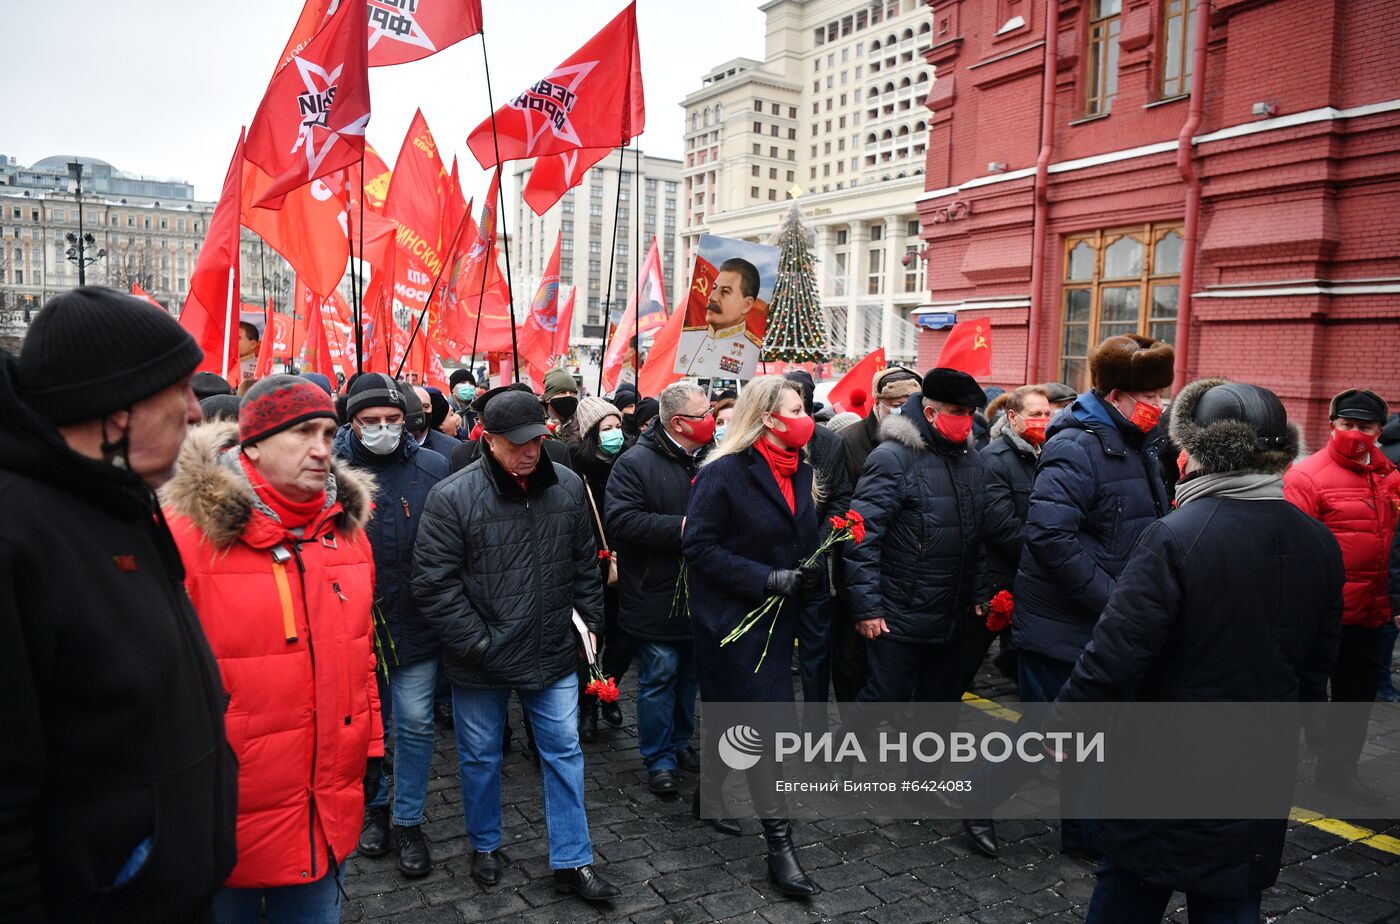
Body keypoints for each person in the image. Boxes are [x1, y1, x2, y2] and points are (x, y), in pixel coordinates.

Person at [1060, 379, 1342, 923]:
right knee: (1231, 895)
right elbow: (1319, 660)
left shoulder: (1175, 535)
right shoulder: (1318, 538)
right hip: (1260, 759)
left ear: (1198, 454)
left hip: (1165, 760)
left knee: (1130, 892)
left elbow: (1116, 652)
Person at [1, 288, 237, 922]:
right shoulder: (19, 535)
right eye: (179, 389)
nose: (196, 413)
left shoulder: (123, 500)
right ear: (115, 407)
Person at [162, 374, 382, 923]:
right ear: (251, 444)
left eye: (330, 433)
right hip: (221, 816)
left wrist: (372, 745)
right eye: (303, 431)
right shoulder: (186, 536)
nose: (322, 448)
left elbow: (363, 656)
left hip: (323, 812)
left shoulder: (350, 535)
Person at [412, 388, 620, 902]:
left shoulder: (567, 485)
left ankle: (573, 860)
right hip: (480, 657)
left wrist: (587, 625)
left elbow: (583, 564)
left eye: (538, 440)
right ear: (491, 439)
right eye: (519, 443)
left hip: (551, 650)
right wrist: (478, 644)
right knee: (480, 757)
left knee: (565, 753)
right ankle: (485, 845)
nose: (532, 451)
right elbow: (434, 583)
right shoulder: (453, 496)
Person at [1013, 334, 1172, 857]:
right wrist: (1114, 599)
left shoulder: (1138, 442)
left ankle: (1087, 837)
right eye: (1149, 396)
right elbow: (1049, 536)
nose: (1159, 406)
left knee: (1087, 738)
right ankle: (980, 802)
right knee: (1052, 736)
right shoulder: (1076, 443)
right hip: (1063, 621)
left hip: (1105, 617)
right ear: (1114, 395)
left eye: (1163, 395)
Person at [683, 376, 823, 897]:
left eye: (804, 406)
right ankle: (780, 848)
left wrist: (812, 572)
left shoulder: (803, 469)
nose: (805, 414)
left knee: (733, 717)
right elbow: (698, 547)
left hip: (776, 621)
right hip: (730, 623)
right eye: (796, 407)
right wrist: (763, 578)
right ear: (768, 417)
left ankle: (709, 793)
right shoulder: (722, 473)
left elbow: (797, 539)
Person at [331, 374, 449, 877]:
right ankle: (374, 809)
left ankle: (408, 819)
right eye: (371, 422)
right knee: (363, 726)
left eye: (393, 421)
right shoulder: (331, 473)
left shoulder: (434, 466)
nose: (383, 429)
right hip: (355, 626)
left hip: (417, 621)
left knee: (416, 724)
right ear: (352, 423)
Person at [1284, 388, 1400, 803]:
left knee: (1355, 699)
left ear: (1379, 430)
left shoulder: (1389, 475)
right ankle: (1272, 768)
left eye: (1364, 427)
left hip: (1371, 612)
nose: (1355, 433)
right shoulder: (1305, 476)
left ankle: (1338, 771)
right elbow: (1295, 550)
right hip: (1319, 615)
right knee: (1299, 694)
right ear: (1332, 425)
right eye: (1346, 424)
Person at [845, 367, 988, 704]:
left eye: (970, 413)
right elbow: (861, 536)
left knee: (940, 702)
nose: (966, 422)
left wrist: (979, 593)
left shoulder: (971, 460)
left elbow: (976, 532)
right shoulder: (892, 458)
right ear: (930, 412)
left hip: (952, 613)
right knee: (884, 696)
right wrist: (868, 609)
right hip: (899, 613)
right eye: (957, 413)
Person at [606, 383, 712, 798]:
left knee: (690, 675)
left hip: (702, 590)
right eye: (702, 415)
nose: (710, 421)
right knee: (659, 675)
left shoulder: (712, 457)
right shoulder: (635, 463)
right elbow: (621, 522)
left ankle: (679, 741)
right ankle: (658, 758)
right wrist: (682, 528)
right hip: (654, 591)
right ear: (678, 423)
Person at [966, 385, 1054, 690]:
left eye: (1047, 413)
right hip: (999, 577)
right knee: (964, 659)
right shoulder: (995, 459)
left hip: (1032, 575)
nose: (1043, 420)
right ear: (1013, 417)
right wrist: (1047, 554)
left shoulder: (1049, 454)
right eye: (1035, 414)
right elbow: (1000, 526)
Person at [784, 370, 854, 714]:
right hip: (772, 566)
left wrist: (819, 544)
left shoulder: (829, 443)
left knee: (815, 651)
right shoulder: (759, 439)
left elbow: (841, 499)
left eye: (800, 406)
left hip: (814, 566)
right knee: (775, 649)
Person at [568, 396, 634, 739]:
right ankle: (589, 706)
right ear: (592, 433)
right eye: (606, 429)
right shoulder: (574, 468)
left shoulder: (632, 462)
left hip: (627, 564)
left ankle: (607, 686)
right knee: (591, 639)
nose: (615, 434)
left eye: (618, 427)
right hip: (589, 564)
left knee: (624, 639)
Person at [676, 258, 764, 379]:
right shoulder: (686, 338)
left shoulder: (752, 350)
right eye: (714, 288)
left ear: (747, 304)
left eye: (725, 291)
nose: (712, 297)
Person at [839, 364, 922, 484]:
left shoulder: (925, 436)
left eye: (911, 405)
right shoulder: (847, 440)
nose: (905, 411)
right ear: (878, 404)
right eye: (896, 405)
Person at [409, 384, 461, 460]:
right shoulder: (394, 444)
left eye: (426, 407)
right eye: (416, 406)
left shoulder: (454, 448)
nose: (422, 411)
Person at [543, 366, 581, 444]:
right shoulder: (536, 421)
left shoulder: (581, 421)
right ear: (548, 397)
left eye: (572, 392)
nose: (568, 395)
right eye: (562, 392)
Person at [448, 368, 479, 437]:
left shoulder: (479, 409)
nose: (468, 386)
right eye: (462, 382)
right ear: (452, 388)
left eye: (471, 383)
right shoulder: (445, 411)